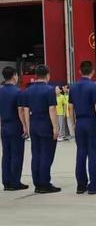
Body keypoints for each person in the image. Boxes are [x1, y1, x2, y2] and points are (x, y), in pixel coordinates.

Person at [69, 61, 96, 195]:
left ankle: (81, 185)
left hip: (80, 121)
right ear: (92, 71)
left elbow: (70, 107)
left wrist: (73, 123)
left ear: (79, 71)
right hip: (92, 122)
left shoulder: (73, 87)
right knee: (93, 153)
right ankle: (94, 185)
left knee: (81, 153)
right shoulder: (94, 86)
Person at [24, 65, 61, 194]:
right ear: (47, 75)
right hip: (46, 124)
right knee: (46, 154)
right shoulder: (49, 90)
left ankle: (37, 183)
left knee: (36, 154)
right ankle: (45, 183)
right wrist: (55, 127)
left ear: (36, 75)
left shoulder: (28, 90)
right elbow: (52, 109)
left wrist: (28, 127)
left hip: (34, 123)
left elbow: (26, 110)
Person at [0, 66, 28, 191]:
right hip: (15, 125)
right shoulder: (18, 92)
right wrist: (25, 126)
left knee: (6, 154)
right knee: (17, 153)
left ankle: (6, 182)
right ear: (14, 76)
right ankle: (15, 182)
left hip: (4, 125)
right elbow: (20, 111)